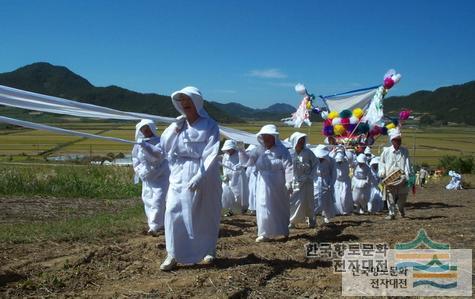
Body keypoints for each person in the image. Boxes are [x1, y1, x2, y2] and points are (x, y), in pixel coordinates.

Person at [155, 86, 222, 271]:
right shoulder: (177, 125)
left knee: (204, 212)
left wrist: (200, 175)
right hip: (179, 173)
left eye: (188, 100)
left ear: (197, 102)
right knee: (172, 210)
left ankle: (208, 249)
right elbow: (164, 148)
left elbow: (211, 153)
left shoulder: (210, 125)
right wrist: (174, 130)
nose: (184, 104)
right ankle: (173, 253)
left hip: (204, 173)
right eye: (181, 101)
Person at [241, 124, 293, 242]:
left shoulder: (282, 150)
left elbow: (289, 167)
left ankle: (282, 230)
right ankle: (264, 232)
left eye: (268, 136)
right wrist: (241, 151)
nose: (266, 139)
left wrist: (289, 182)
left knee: (278, 207)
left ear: (274, 137)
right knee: (262, 205)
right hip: (262, 183)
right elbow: (248, 162)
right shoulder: (258, 150)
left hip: (278, 183)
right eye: (264, 136)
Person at [132, 119, 170, 235]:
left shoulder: (160, 141)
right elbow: (135, 159)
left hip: (160, 176)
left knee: (158, 200)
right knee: (148, 200)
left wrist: (146, 146)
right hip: (147, 177)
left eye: (147, 129)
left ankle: (157, 225)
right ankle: (153, 225)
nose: (145, 131)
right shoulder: (138, 144)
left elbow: (157, 155)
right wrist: (139, 170)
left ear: (152, 128)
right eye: (143, 130)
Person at [379, 127, 412, 220]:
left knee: (403, 196)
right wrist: (382, 172)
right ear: (392, 141)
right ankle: (391, 213)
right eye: (396, 140)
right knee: (390, 196)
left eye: (399, 140)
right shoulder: (386, 151)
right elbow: (382, 163)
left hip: (402, 177)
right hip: (390, 177)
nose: (398, 142)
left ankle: (400, 208)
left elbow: (407, 163)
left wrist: (407, 174)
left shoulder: (405, 151)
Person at [288, 132, 318, 228]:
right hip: (295, 181)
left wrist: (310, 176)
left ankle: (311, 218)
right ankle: (292, 221)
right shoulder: (289, 153)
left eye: (302, 141)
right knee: (294, 201)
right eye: (299, 141)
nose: (301, 143)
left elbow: (315, 163)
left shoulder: (308, 152)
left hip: (307, 181)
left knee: (308, 200)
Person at [220, 139, 249, 215]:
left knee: (239, 194)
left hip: (238, 178)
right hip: (228, 178)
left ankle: (243, 209)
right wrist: (224, 175)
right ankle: (231, 210)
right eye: (227, 149)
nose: (228, 150)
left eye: (230, 149)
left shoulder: (239, 154)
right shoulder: (225, 156)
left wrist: (237, 167)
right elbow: (224, 166)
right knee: (228, 193)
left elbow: (243, 162)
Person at [312, 144, 336, 224]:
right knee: (314, 199)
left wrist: (331, 183)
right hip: (315, 181)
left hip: (326, 181)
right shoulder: (314, 159)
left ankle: (327, 216)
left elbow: (333, 173)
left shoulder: (332, 161)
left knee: (327, 200)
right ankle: (312, 216)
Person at [333, 150, 353, 215]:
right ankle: (338, 210)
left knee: (344, 196)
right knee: (337, 196)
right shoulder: (334, 162)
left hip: (345, 181)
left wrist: (344, 150)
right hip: (337, 181)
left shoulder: (347, 161)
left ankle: (346, 209)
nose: (339, 162)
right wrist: (334, 151)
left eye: (340, 161)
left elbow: (350, 157)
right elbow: (329, 157)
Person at [245, 144, 258, 215]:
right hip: (252, 180)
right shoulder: (251, 162)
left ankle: (257, 208)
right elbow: (248, 171)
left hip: (259, 179)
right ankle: (253, 208)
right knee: (252, 193)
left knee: (257, 193)